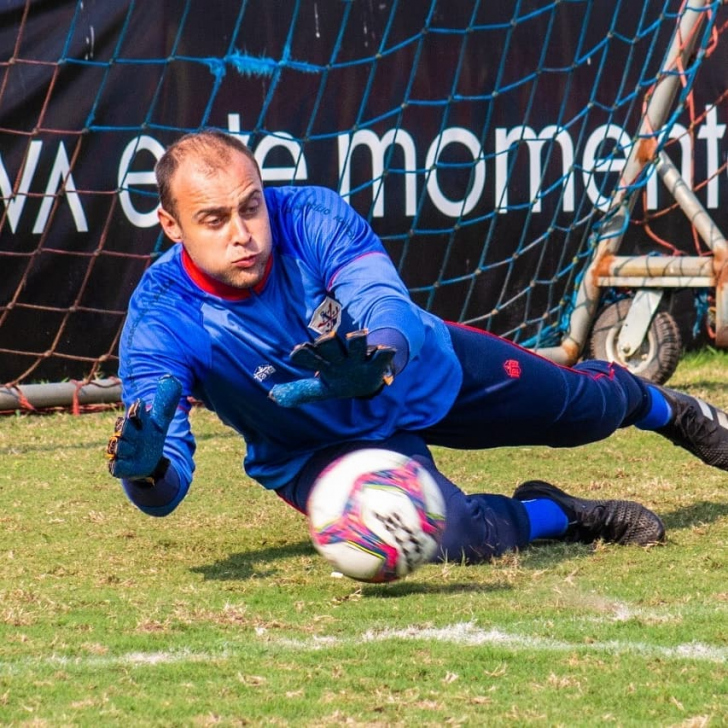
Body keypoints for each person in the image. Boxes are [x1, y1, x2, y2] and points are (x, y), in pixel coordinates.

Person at [106, 129, 727, 563]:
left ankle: (668, 409)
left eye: (250, 207)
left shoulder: (309, 216)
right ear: (171, 225)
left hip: (421, 370)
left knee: (586, 413)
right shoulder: (160, 320)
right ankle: (562, 515)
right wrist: (149, 473)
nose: (243, 233)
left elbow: (383, 300)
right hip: (316, 448)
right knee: (452, 539)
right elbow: (165, 479)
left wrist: (379, 358)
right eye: (214, 219)